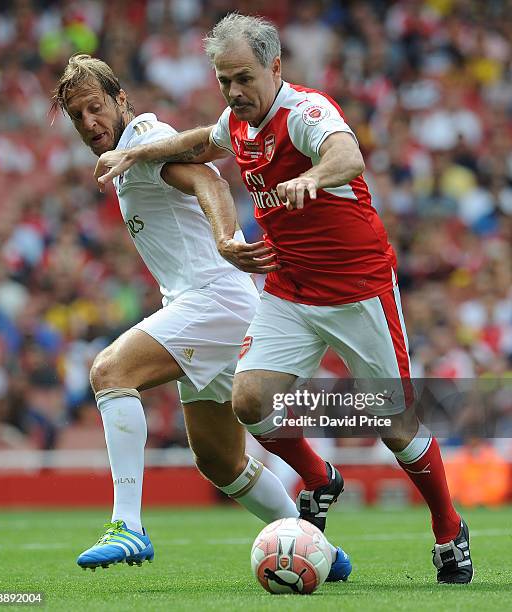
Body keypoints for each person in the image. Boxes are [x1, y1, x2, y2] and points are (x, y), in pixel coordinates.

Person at [94, 14, 473, 584]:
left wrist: (313, 176)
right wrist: (136, 155)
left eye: (244, 78)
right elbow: (199, 143)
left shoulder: (305, 112)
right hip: (289, 288)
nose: (235, 92)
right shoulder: (237, 122)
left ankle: (449, 530)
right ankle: (319, 479)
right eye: (224, 81)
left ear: (275, 67)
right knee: (249, 401)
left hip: (356, 289)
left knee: (395, 426)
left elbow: (349, 157)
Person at [53, 54, 351, 580]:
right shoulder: (125, 156)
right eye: (77, 116)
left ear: (121, 100)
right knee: (219, 460)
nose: (89, 123)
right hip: (203, 303)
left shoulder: (144, 136)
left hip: (214, 298)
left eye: (96, 107)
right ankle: (323, 554)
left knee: (110, 372)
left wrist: (225, 239)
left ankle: (128, 526)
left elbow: (209, 183)